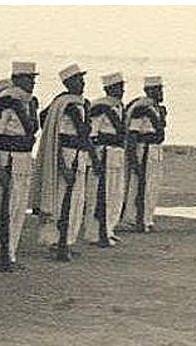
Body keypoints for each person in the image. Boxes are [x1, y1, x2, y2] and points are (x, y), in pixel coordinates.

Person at [0, 62, 40, 270]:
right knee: (0, 210)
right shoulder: (6, 101)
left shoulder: (28, 102)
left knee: (17, 210)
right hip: (7, 161)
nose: (32, 82)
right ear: (17, 79)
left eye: (33, 78)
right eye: (28, 78)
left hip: (22, 159)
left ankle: (9, 254)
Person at [32, 64, 94, 262]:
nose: (82, 83)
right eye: (78, 80)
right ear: (69, 83)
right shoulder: (65, 104)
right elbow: (56, 136)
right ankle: (55, 242)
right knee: (61, 200)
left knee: (76, 200)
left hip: (79, 154)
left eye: (82, 79)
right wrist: (62, 165)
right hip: (67, 154)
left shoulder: (79, 103)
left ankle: (66, 241)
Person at [81, 72, 127, 246]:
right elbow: (91, 136)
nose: (122, 91)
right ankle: (95, 233)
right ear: (109, 89)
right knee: (99, 196)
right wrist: (94, 160)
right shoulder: (100, 108)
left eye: (122, 87)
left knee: (115, 195)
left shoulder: (118, 107)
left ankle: (108, 229)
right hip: (103, 154)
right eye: (118, 87)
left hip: (116, 155)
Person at [120, 76, 166, 233]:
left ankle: (146, 219)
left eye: (160, 89)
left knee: (152, 186)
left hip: (154, 149)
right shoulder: (141, 108)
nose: (160, 92)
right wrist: (134, 159)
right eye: (157, 89)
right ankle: (136, 220)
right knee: (141, 186)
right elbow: (133, 134)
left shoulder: (155, 108)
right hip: (144, 150)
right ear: (148, 91)